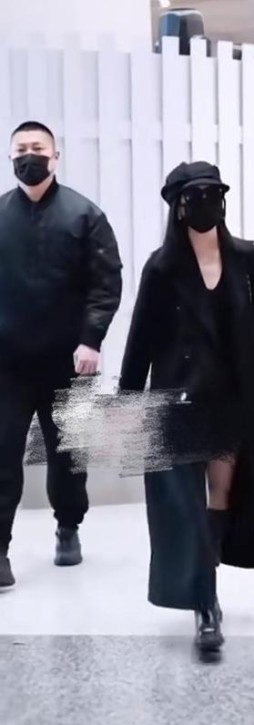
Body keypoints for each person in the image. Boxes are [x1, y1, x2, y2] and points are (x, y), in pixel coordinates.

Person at [119, 161, 254, 652]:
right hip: (178, 403)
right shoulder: (162, 267)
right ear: (178, 207)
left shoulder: (247, 259)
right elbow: (140, 338)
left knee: (221, 496)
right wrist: (129, 403)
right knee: (184, 506)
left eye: (213, 195)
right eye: (194, 197)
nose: (205, 205)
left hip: (233, 401)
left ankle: (206, 575)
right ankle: (206, 605)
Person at [0, 121, 122, 590]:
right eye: (20, 149)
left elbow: (106, 283)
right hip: (8, 363)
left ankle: (68, 526)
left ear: (56, 156)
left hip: (68, 362)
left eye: (38, 148)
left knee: (68, 455)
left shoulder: (84, 215)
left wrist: (91, 339)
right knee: (2, 455)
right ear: (11, 157)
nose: (29, 156)